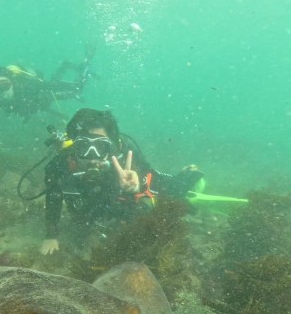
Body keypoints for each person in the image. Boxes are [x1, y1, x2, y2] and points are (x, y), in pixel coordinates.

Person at [40, 108, 204, 255]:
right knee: (80, 231)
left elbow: (154, 181)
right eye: (84, 146)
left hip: (121, 205)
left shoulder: (126, 159)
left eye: (101, 146)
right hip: (88, 211)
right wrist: (51, 236)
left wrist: (138, 185)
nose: (92, 156)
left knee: (173, 191)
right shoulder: (58, 165)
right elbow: (53, 197)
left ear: (111, 145)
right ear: (74, 146)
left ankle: (187, 175)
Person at [0, 56, 91, 121]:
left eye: (5, 85)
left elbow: (60, 87)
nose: (3, 91)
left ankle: (65, 66)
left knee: (75, 90)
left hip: (45, 96)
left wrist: (44, 98)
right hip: (34, 107)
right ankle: (64, 66)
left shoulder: (30, 86)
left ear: (13, 83)